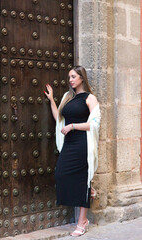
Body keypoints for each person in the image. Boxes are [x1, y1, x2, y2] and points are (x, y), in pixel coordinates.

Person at [44, 65, 101, 237]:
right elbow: (60, 120)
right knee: (60, 174)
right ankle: (89, 189)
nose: (70, 80)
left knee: (82, 180)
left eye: (73, 76)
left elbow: (95, 124)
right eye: (69, 77)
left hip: (82, 143)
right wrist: (52, 100)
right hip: (69, 143)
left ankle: (82, 221)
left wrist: (73, 126)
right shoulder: (68, 98)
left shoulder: (90, 99)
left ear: (82, 78)